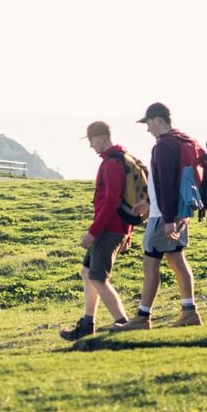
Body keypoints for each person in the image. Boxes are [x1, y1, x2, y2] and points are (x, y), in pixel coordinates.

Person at [117, 102, 207, 330]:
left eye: (147, 123)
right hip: (179, 210)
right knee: (176, 259)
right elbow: (169, 182)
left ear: (157, 120)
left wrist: (166, 219)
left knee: (150, 263)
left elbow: (167, 183)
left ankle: (142, 317)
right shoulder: (182, 140)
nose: (147, 129)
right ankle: (190, 312)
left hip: (164, 215)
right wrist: (148, 202)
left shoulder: (164, 146)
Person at [59, 121, 133, 341]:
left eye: (91, 140)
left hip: (109, 228)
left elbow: (111, 202)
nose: (90, 145)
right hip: (114, 227)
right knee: (87, 271)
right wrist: (128, 231)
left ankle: (123, 322)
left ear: (101, 137)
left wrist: (93, 232)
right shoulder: (118, 159)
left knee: (98, 277)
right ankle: (87, 324)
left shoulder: (111, 163)